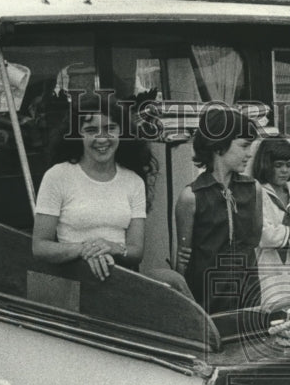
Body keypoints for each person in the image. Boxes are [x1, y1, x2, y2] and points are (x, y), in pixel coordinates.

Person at [32, 93, 189, 294]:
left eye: (110, 129)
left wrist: (111, 247)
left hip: (122, 280)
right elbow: (40, 246)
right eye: (91, 130)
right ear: (78, 135)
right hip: (74, 282)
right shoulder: (57, 176)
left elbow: (135, 251)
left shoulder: (133, 182)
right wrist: (85, 250)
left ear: (121, 132)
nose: (102, 138)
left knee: (173, 280)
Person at [174, 105, 263, 313]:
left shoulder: (253, 189)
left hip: (248, 297)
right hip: (207, 300)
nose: (249, 154)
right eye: (244, 146)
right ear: (219, 146)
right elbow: (183, 260)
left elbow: (254, 240)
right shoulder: (191, 197)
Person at [251, 137, 290, 310]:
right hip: (268, 266)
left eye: (288, 165)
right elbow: (264, 236)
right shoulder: (259, 195)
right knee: (271, 309)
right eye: (278, 165)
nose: (284, 170)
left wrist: (283, 233)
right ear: (266, 165)